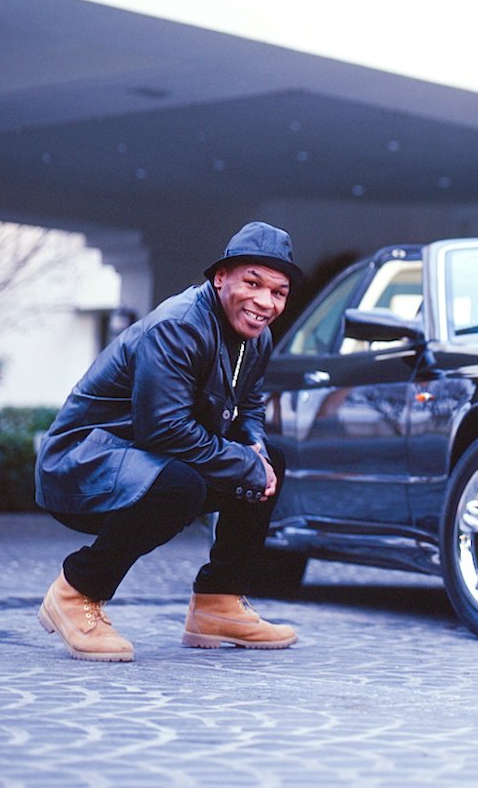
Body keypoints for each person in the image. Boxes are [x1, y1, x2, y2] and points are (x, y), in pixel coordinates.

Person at [35, 221, 304, 662]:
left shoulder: (256, 338)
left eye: (278, 292)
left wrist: (254, 448)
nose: (264, 302)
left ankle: (219, 602)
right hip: (81, 462)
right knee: (181, 485)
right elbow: (164, 430)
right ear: (220, 278)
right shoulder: (179, 326)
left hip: (144, 457)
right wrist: (243, 463)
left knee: (269, 459)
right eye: (252, 283)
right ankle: (75, 591)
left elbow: (249, 403)